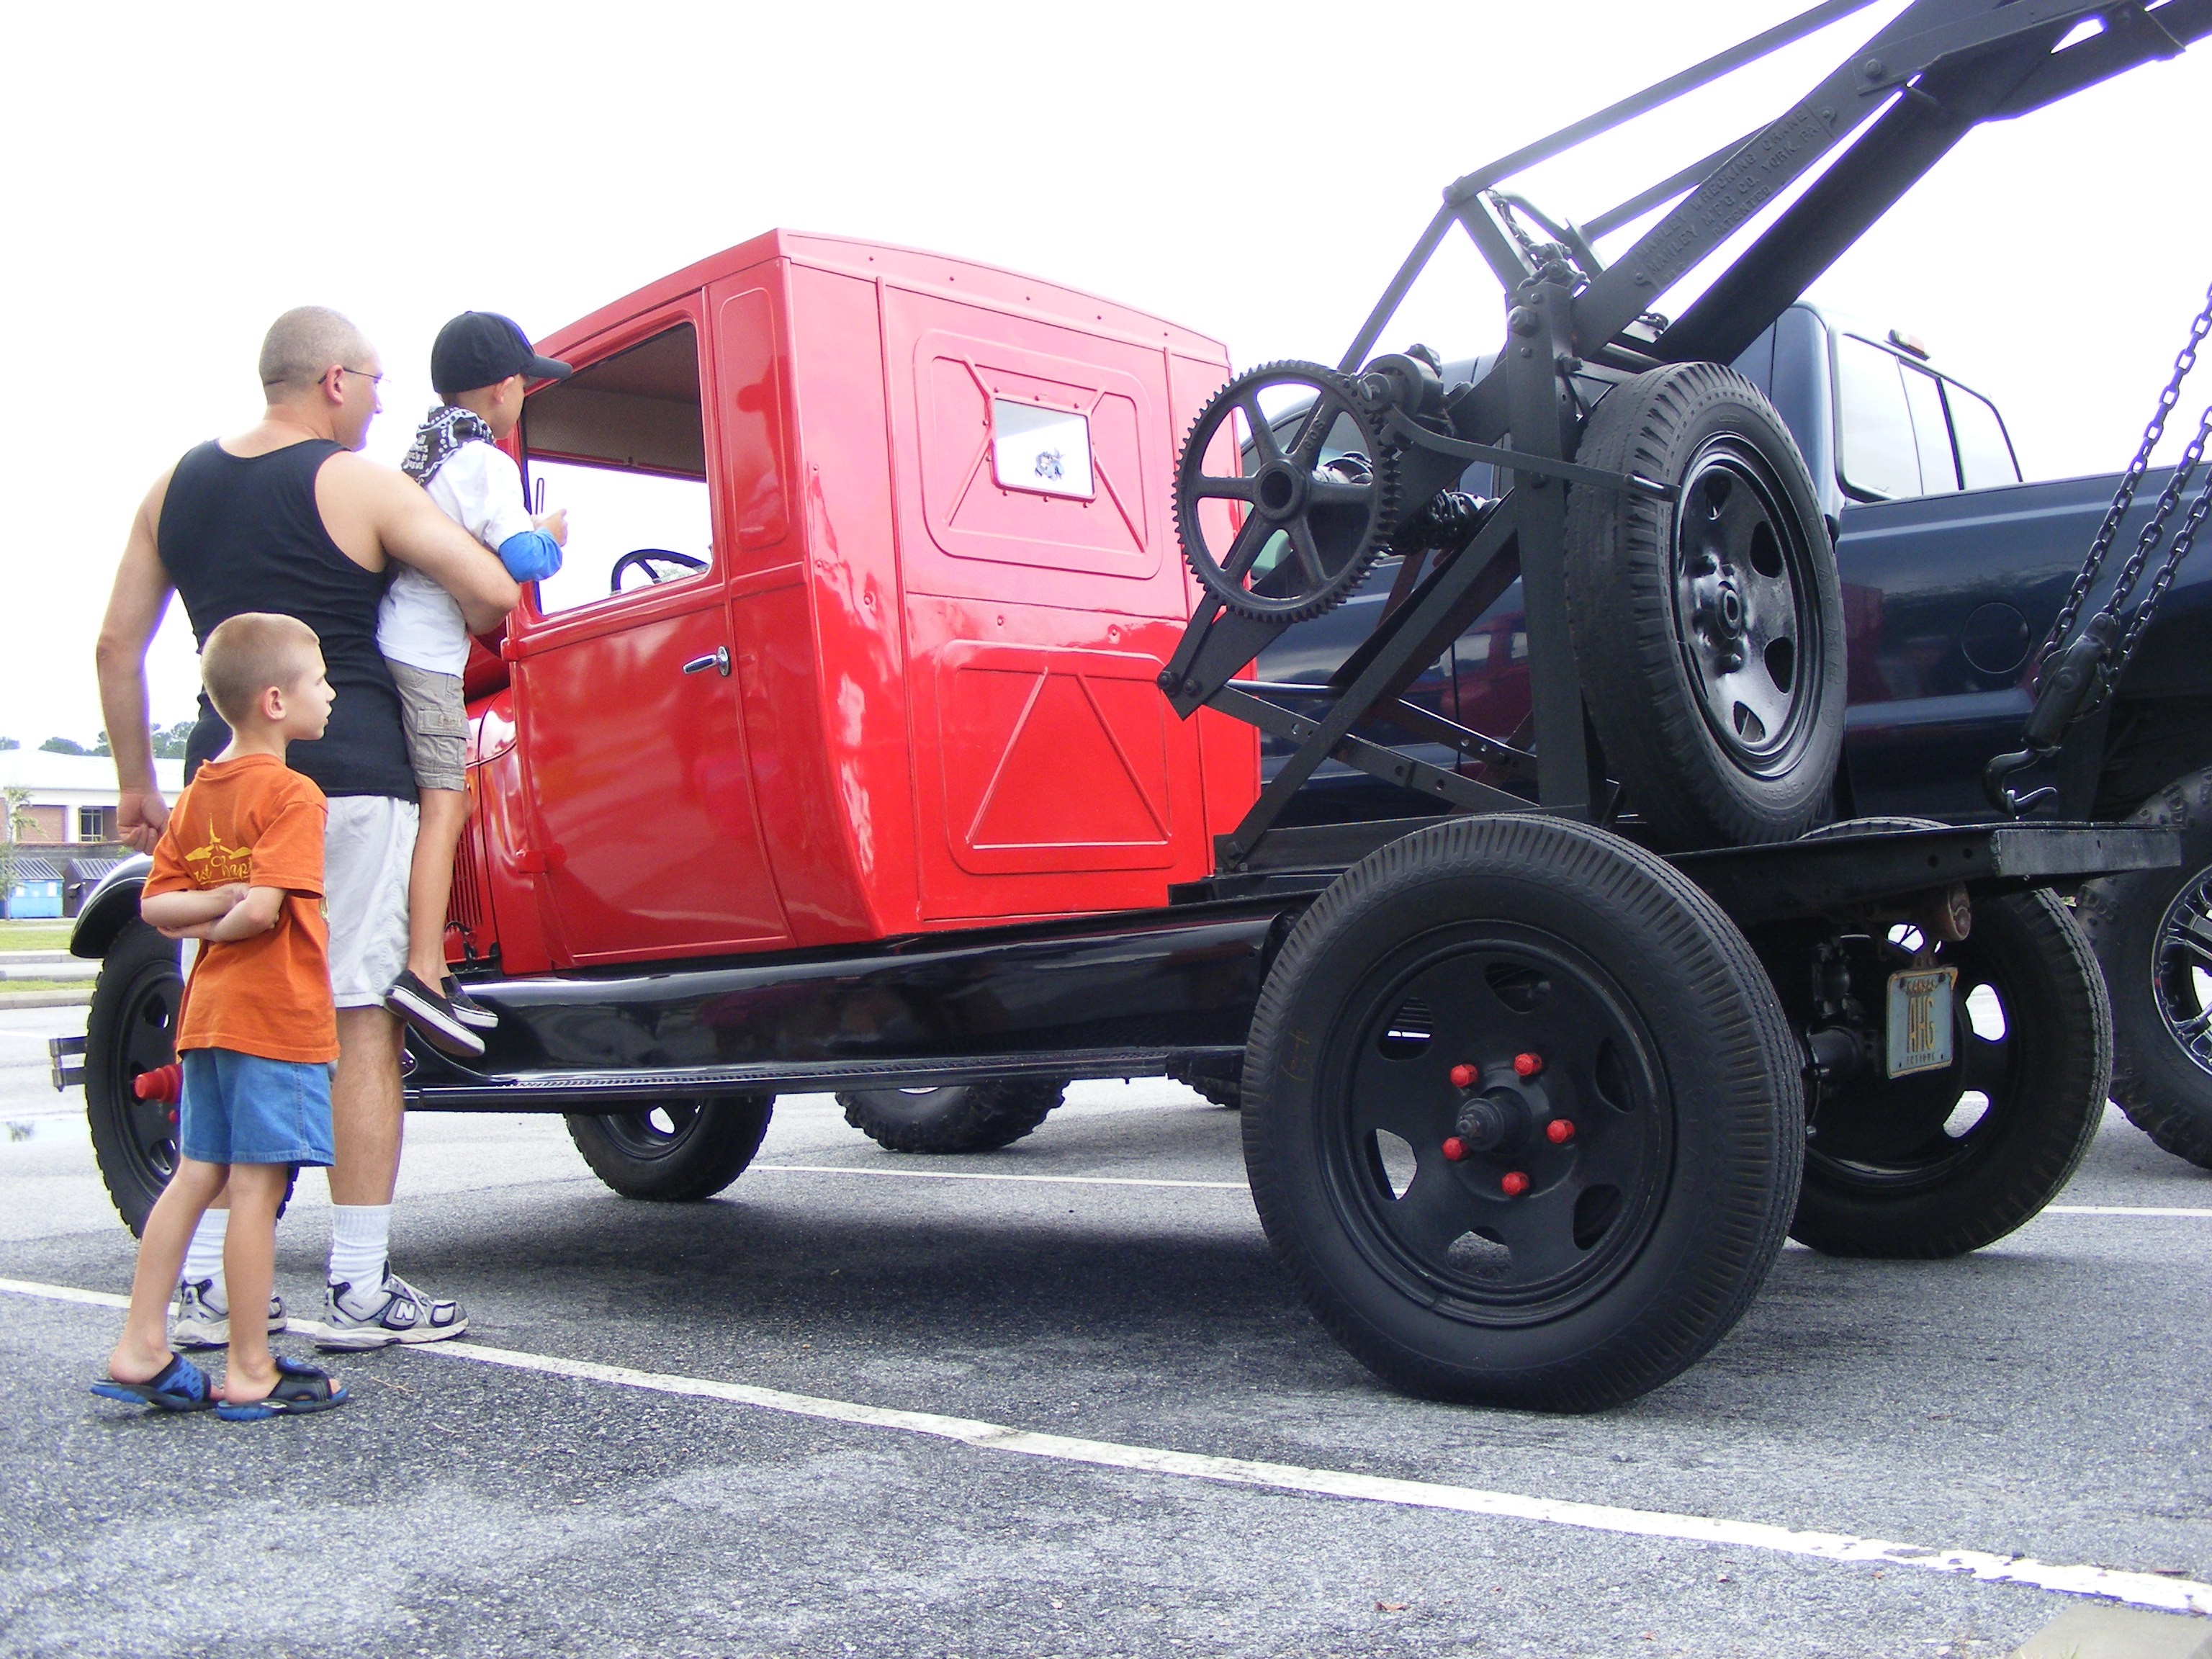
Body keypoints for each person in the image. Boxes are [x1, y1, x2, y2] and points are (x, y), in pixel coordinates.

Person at [95, 306, 519, 1350]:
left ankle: (197, 1287)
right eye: (373, 384)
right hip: (349, 779)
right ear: (333, 380)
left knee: (227, 1021)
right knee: (361, 1022)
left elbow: (116, 645)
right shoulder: (358, 485)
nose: (381, 405)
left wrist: (139, 786)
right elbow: (493, 587)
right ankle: (361, 1287)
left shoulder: (174, 488)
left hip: (219, 783)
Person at [94, 613, 347, 1420]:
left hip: (206, 1019)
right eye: (319, 681)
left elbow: (153, 900)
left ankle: (141, 1343)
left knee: (194, 1177)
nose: (331, 693)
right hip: (275, 1016)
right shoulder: (292, 794)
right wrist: (225, 913)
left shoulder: (203, 790)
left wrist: (197, 917)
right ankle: (248, 1366)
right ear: (276, 701)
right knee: (255, 1189)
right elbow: (265, 911)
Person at [377, 312, 570, 1058]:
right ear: (502, 388)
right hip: (425, 657)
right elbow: (521, 557)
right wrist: (554, 534)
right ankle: (425, 969)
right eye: (524, 382)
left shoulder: (427, 452)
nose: (524, 394)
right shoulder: (484, 461)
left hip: (398, 644)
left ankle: (422, 958)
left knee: (427, 808)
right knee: (446, 804)